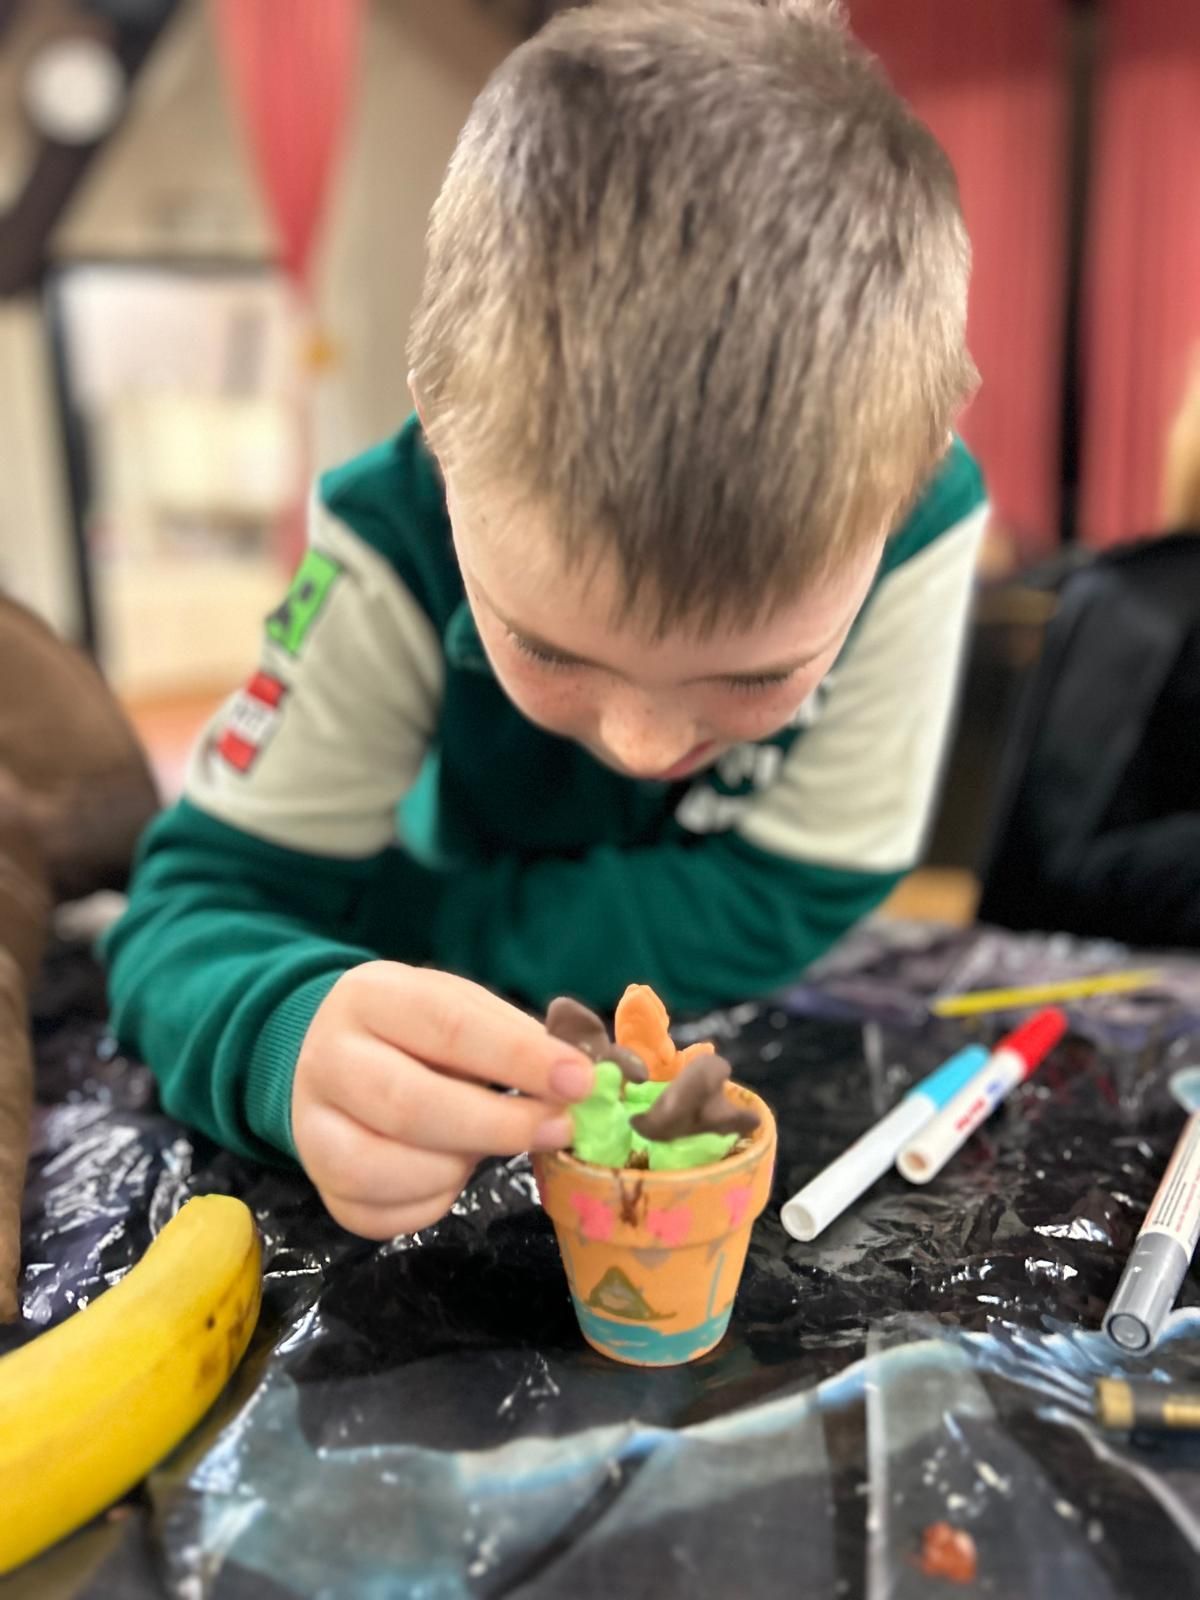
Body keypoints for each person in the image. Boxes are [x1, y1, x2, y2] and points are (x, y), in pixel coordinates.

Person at [104, 0, 987, 1240]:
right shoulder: (384, 535)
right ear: (439, 432)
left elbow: (803, 883)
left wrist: (402, 930)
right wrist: (288, 1026)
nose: (635, 739)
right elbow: (190, 905)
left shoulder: (929, 519)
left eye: (754, 677)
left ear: (905, 491)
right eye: (549, 646)